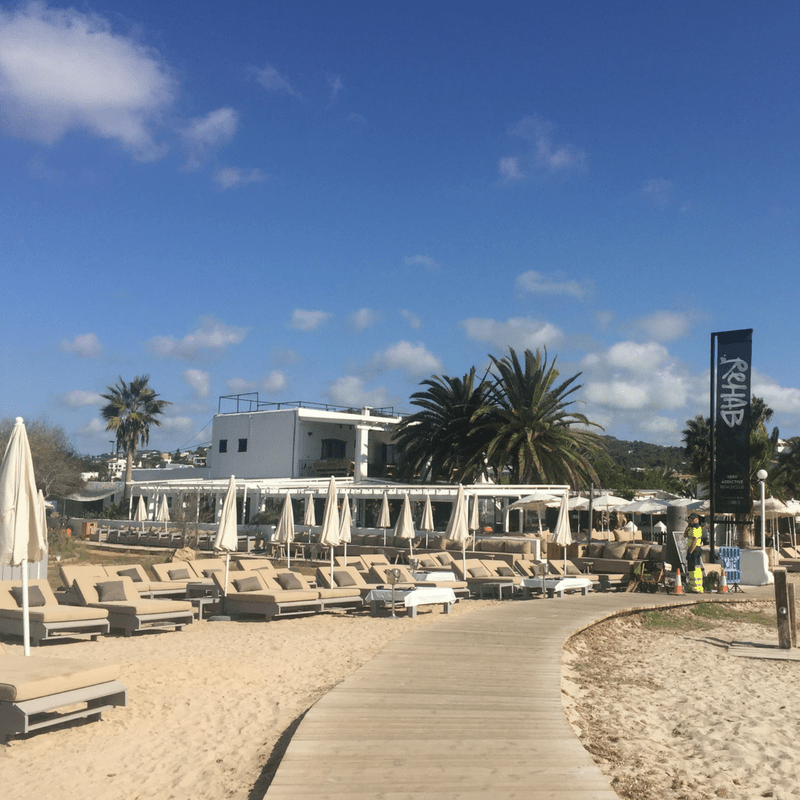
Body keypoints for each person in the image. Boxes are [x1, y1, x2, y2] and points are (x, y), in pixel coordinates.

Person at [684, 513, 704, 593]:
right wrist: (688, 527)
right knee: (697, 568)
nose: (690, 520)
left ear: (696, 519)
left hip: (694, 549)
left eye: (691, 519)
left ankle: (694, 587)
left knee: (692, 569)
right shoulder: (695, 528)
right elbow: (685, 535)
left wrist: (690, 552)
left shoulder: (695, 529)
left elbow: (694, 542)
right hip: (697, 549)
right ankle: (698, 587)